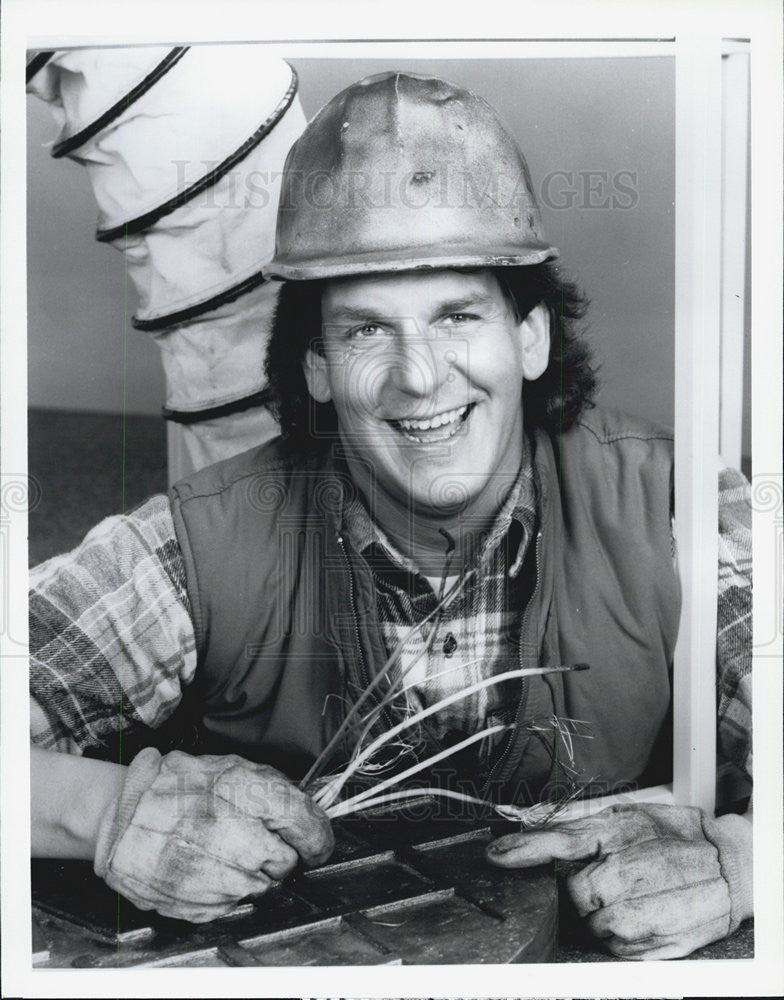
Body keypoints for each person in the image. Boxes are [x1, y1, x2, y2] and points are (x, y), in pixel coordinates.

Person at [29, 71, 752, 958]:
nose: (419, 377)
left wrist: (749, 861)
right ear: (317, 367)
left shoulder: (674, 510)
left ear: (530, 337)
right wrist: (102, 812)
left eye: (456, 316)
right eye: (368, 329)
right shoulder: (203, 544)